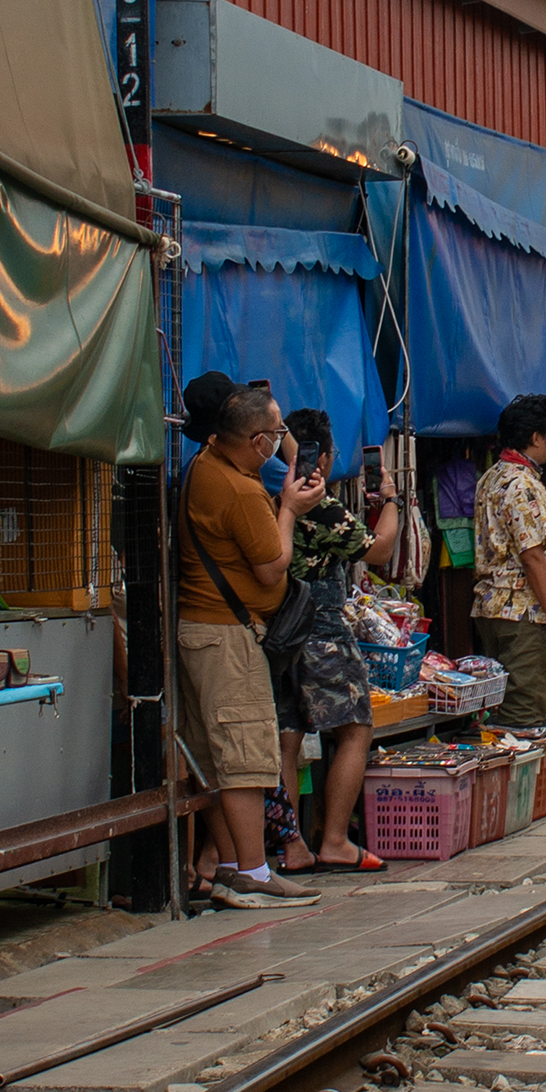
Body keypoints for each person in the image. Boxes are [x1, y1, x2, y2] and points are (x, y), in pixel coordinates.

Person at [174, 372, 321, 912]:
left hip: (205, 632)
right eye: (275, 432)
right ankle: (255, 871)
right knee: (243, 755)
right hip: (226, 637)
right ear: (257, 441)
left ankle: (237, 865)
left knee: (217, 755)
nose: (280, 441)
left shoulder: (205, 467)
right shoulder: (238, 489)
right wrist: (289, 509)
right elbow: (272, 566)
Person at [270, 407, 401, 876]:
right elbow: (380, 550)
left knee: (288, 736)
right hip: (321, 628)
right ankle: (335, 840)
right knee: (354, 727)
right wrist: (390, 500)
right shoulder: (317, 504)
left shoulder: (272, 495)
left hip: (278, 632)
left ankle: (292, 847)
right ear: (323, 459)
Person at [471, 394, 546, 728]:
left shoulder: (493, 477)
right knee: (525, 709)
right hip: (524, 612)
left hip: (498, 608)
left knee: (508, 705)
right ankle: (518, 780)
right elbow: (533, 557)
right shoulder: (520, 484)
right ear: (535, 438)